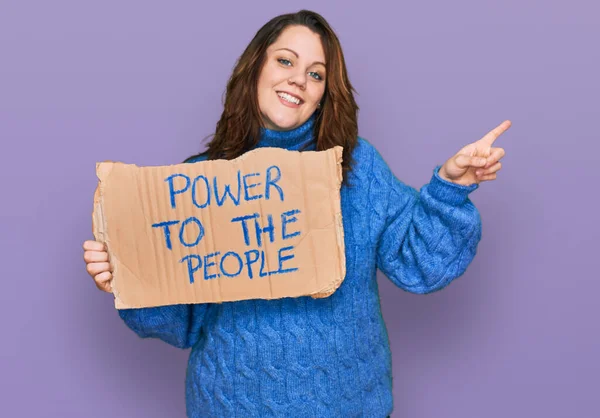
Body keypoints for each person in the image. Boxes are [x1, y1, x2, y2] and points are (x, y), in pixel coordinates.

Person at [83, 9, 509, 418]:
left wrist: (451, 187)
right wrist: (126, 275)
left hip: (347, 405)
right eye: (285, 60)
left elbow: (421, 264)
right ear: (255, 69)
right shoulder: (200, 183)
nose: (298, 80)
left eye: (316, 73)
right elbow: (181, 323)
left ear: (325, 92)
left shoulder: (358, 170)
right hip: (229, 407)